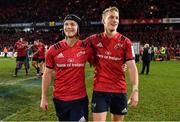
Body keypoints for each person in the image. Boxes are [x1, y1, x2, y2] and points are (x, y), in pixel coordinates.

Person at [85, 6, 139, 121]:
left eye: (116, 18)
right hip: (100, 90)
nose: (114, 20)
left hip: (119, 90)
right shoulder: (93, 39)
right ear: (103, 20)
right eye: (111, 17)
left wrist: (135, 90)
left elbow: (132, 67)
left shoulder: (126, 42)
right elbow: (76, 49)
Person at [40, 14, 94, 121]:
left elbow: (99, 64)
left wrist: (119, 66)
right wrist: (44, 97)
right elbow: (47, 74)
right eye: (66, 24)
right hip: (59, 99)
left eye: (72, 24)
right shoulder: (53, 50)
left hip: (79, 99)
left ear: (78, 28)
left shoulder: (86, 48)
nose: (69, 27)